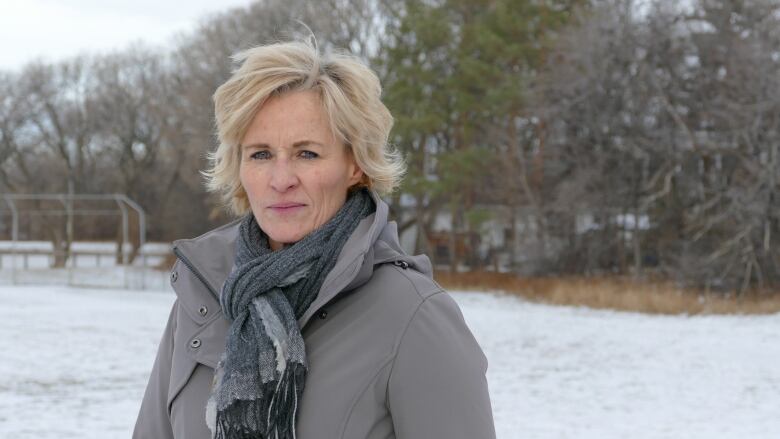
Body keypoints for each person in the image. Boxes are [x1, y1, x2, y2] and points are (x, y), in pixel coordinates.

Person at [133, 37, 495, 439]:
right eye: (260, 154)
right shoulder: (204, 297)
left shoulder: (412, 314)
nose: (281, 179)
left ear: (355, 165)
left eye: (307, 154)